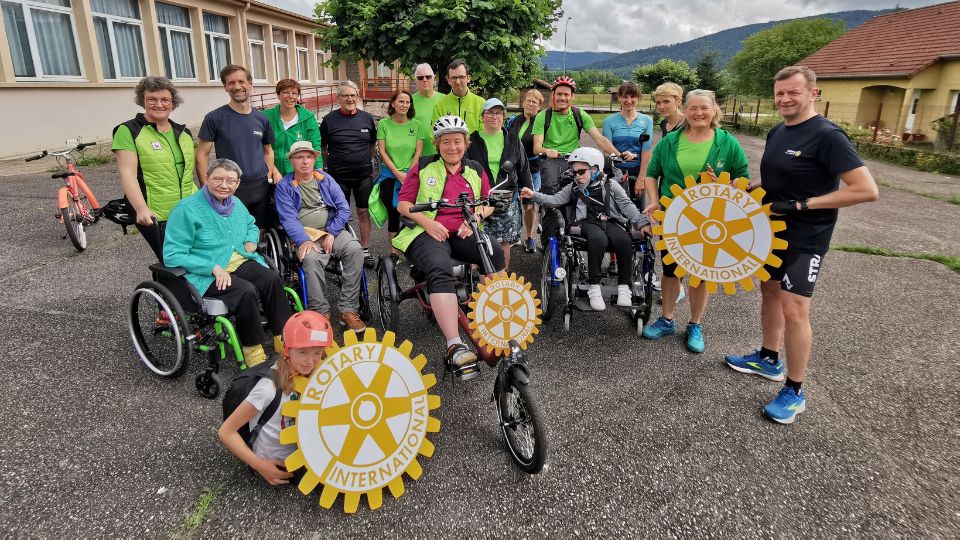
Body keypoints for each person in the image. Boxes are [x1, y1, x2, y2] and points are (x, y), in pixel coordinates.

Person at [725, 66, 879, 424]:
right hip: (772, 232)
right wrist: (754, 191)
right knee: (770, 293)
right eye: (780, 93)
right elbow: (781, 178)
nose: (785, 99)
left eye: (793, 92)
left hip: (807, 237)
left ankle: (795, 390)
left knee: (795, 310)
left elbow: (866, 190)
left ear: (814, 93)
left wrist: (801, 205)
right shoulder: (778, 130)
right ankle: (767, 359)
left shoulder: (828, 136)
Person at [641, 89, 750, 353]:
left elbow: (743, 178)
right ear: (685, 110)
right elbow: (652, 175)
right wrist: (654, 200)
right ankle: (667, 319)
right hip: (673, 216)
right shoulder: (670, 142)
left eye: (704, 108)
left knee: (701, 274)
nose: (698, 113)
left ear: (714, 111)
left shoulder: (727, 143)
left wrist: (727, 183)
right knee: (670, 270)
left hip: (711, 218)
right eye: (693, 108)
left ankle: (695, 324)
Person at [393, 115, 505, 369]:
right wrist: (428, 223)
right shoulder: (423, 166)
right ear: (437, 144)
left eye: (457, 142)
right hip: (428, 232)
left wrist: (474, 219)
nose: (452, 147)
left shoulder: (475, 168)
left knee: (493, 251)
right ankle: (454, 344)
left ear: (465, 143)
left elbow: (488, 203)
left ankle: (495, 323)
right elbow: (403, 204)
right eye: (446, 142)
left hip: (464, 231)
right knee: (439, 267)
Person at [164, 159, 293, 367]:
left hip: (236, 259)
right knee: (245, 291)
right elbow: (172, 254)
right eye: (218, 179)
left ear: (238, 183)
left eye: (231, 181)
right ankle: (252, 347)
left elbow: (251, 224)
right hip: (204, 271)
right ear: (207, 179)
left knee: (271, 278)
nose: (225, 185)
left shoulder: (235, 203)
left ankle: (283, 337)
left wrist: (251, 239)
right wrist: (212, 267)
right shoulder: (187, 209)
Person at [522, 147, 650, 311]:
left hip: (610, 221)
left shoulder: (612, 185)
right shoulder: (573, 187)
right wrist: (534, 195)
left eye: (581, 171)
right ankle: (594, 287)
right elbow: (554, 200)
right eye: (574, 172)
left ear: (595, 169)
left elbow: (627, 206)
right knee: (598, 239)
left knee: (624, 240)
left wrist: (642, 222)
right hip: (586, 223)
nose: (576, 176)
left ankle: (624, 287)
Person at [218, 310, 332, 485]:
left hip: (304, 450)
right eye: (303, 352)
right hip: (281, 465)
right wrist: (260, 465)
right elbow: (226, 432)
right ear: (287, 349)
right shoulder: (267, 389)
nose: (310, 361)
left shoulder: (314, 373)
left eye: (317, 353)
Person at [275, 141, 366, 332]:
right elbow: (288, 219)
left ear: (315, 159)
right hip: (305, 234)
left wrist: (331, 233)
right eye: (300, 157)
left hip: (331, 229)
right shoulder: (284, 186)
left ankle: (348, 309)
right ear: (292, 161)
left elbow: (343, 208)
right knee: (310, 259)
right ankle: (320, 312)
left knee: (355, 250)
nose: (305, 161)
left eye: (309, 157)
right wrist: (304, 240)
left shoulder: (325, 179)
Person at [533, 75, 627, 243]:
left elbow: (599, 139)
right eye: (559, 94)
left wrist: (618, 155)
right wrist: (548, 150)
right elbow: (537, 147)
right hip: (552, 160)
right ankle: (548, 239)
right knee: (550, 194)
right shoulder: (543, 116)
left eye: (566, 95)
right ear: (553, 95)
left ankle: (576, 230)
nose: (562, 98)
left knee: (580, 192)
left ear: (572, 97)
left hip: (573, 160)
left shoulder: (579, 114)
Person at [112, 76, 196, 261]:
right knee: (173, 261)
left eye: (165, 99)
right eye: (152, 99)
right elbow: (127, 174)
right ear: (143, 101)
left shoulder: (184, 134)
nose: (159, 104)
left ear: (173, 103)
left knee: (197, 256)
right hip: (155, 212)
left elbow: (187, 176)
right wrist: (141, 208)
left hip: (187, 209)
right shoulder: (129, 131)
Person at [197, 65, 277, 228]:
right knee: (233, 234)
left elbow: (268, 151)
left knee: (259, 232)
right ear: (226, 87)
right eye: (231, 83)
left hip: (260, 188)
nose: (237, 86)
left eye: (241, 81)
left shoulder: (261, 119)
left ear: (250, 84)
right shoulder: (214, 118)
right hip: (231, 189)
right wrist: (206, 185)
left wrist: (267, 175)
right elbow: (201, 155)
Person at [466, 98, 531, 270]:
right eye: (490, 112)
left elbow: (523, 169)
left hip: (506, 199)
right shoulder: (471, 141)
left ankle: (502, 279)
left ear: (503, 116)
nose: (494, 116)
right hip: (480, 198)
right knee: (479, 241)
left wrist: (528, 199)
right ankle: (479, 280)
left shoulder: (513, 140)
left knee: (503, 243)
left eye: (498, 113)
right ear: (482, 116)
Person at [320, 81, 377, 267]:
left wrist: (363, 160)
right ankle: (341, 251)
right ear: (338, 99)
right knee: (339, 214)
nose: (349, 99)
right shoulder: (329, 120)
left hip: (363, 175)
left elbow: (372, 145)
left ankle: (365, 249)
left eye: (353, 95)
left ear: (358, 97)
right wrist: (328, 167)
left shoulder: (367, 118)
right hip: (338, 176)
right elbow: (323, 147)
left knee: (363, 211)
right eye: (345, 95)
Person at [603, 80, 654, 276]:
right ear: (620, 98)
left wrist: (642, 177)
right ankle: (614, 260)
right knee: (614, 215)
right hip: (615, 173)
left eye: (633, 96)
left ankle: (635, 258)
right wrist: (620, 154)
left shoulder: (646, 121)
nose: (629, 100)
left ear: (638, 98)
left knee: (637, 216)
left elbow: (646, 151)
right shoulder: (609, 122)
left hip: (636, 174)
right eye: (625, 96)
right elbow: (606, 149)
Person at [372, 89, 425, 257]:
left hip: (411, 175)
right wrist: (397, 173)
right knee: (394, 213)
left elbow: (418, 153)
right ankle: (394, 252)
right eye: (401, 101)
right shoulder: (384, 124)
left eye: (407, 102)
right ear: (393, 103)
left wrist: (408, 175)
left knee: (411, 212)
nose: (404, 105)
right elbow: (382, 152)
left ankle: (410, 248)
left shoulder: (417, 125)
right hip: (389, 175)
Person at [506, 88, 545, 253]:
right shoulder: (514, 121)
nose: (530, 104)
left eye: (534, 102)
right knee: (511, 204)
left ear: (539, 106)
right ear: (523, 102)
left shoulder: (541, 122)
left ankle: (529, 237)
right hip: (513, 170)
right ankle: (514, 235)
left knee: (529, 206)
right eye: (528, 100)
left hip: (532, 170)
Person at [263, 78, 322, 178]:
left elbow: (315, 146)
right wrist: (274, 171)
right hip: (271, 173)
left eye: (294, 93)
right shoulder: (266, 117)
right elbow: (261, 148)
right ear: (278, 95)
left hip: (299, 174)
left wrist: (319, 171)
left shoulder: (308, 118)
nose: (291, 97)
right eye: (286, 92)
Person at [431, 59, 486, 134]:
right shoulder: (440, 106)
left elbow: (485, 134)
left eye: (461, 77)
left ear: (468, 78)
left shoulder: (482, 104)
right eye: (453, 78)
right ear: (448, 80)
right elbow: (435, 136)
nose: (457, 81)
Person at [411, 63, 444, 157]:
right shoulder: (409, 101)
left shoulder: (445, 100)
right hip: (417, 157)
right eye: (420, 78)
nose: (425, 80)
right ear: (416, 81)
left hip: (442, 155)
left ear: (434, 79)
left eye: (428, 77)